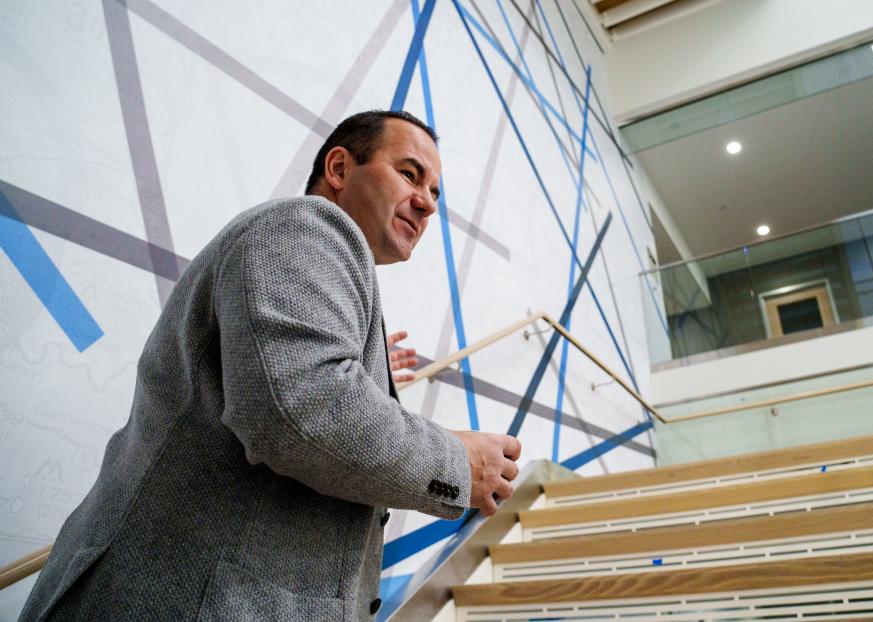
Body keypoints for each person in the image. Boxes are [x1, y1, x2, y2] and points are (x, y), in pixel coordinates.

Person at [19, 110, 521, 622]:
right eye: (410, 174)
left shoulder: (317, 257)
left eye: (435, 192)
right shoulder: (304, 227)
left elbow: (300, 389)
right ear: (341, 168)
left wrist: (359, 370)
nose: (426, 203)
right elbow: (301, 410)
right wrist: (458, 464)